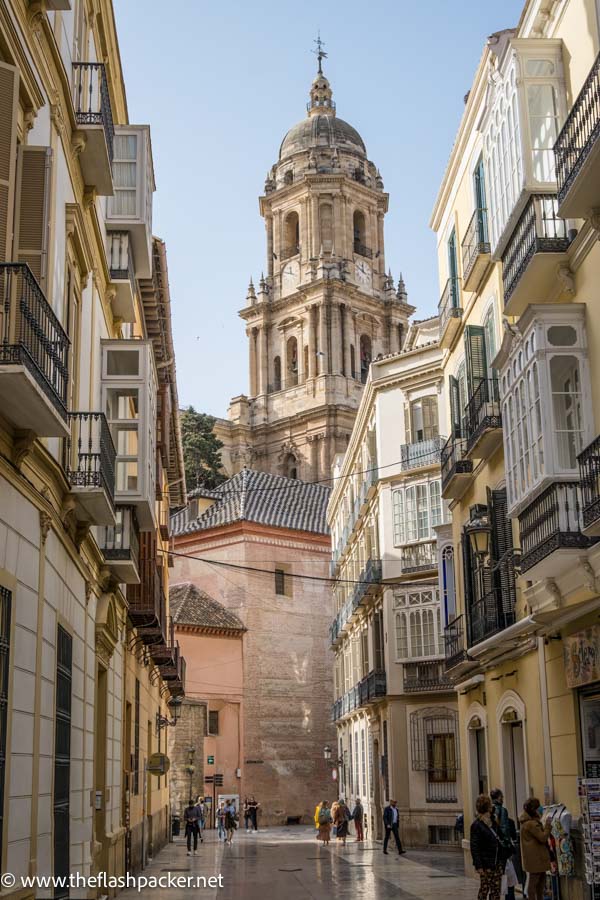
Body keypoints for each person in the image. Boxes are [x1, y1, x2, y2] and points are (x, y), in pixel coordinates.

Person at [470, 794, 505, 900]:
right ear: (487, 807)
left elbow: (499, 838)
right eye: (490, 805)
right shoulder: (477, 825)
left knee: (496, 890)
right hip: (486, 864)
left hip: (496, 862)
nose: (492, 807)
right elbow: (474, 846)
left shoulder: (493, 822)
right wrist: (478, 865)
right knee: (484, 890)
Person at [519, 798, 551, 900]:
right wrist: (548, 826)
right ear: (535, 809)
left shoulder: (528, 822)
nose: (541, 809)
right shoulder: (531, 824)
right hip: (536, 859)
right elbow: (543, 837)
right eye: (539, 807)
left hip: (535, 858)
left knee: (540, 884)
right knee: (534, 885)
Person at [490, 789, 516, 900]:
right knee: (509, 878)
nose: (503, 799)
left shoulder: (490, 811)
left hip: (493, 850)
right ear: (499, 797)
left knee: (496, 880)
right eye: (502, 797)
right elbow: (504, 829)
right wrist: (508, 846)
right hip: (503, 850)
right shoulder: (502, 810)